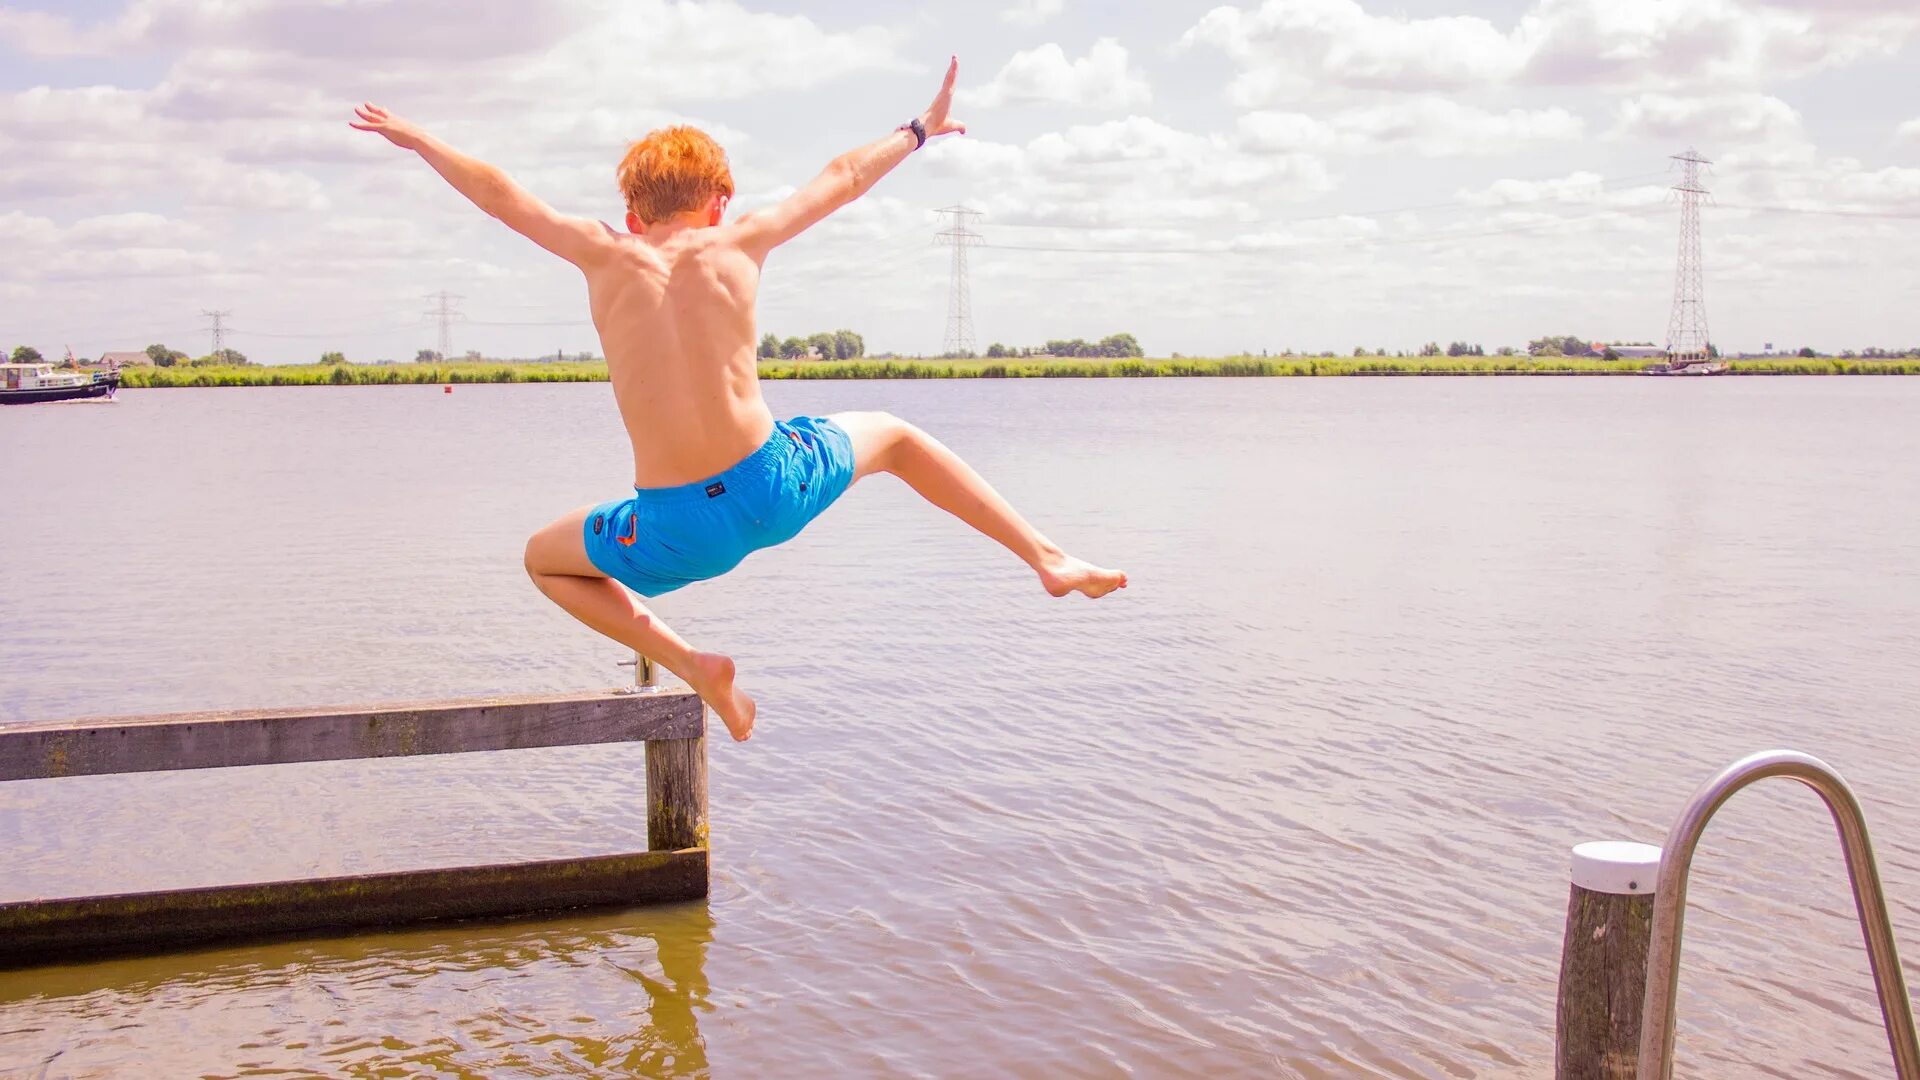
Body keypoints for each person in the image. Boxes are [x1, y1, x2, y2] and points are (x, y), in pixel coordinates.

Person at [350, 58, 1125, 742]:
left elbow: (500, 195)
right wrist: (920, 130)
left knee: (542, 560)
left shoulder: (601, 254)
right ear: (720, 200)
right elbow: (843, 177)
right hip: (772, 485)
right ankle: (1046, 557)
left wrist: (419, 138)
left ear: (631, 213)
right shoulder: (740, 241)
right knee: (890, 435)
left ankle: (695, 664)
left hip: (674, 528)